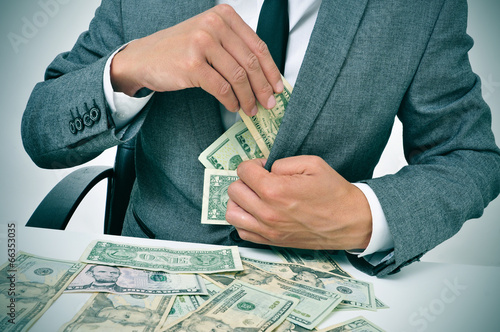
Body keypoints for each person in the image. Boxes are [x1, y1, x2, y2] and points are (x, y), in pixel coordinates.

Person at [21, 0, 500, 277]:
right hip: (155, 273)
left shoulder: (421, 9)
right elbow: (40, 131)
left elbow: (469, 155)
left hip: (322, 283)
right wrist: (130, 65)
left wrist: (364, 215)